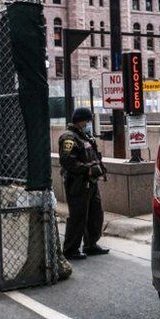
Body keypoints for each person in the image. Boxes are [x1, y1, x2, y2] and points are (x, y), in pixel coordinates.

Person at [58, 107, 110, 260]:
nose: (88, 123)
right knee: (78, 216)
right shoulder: (69, 138)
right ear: (81, 120)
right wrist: (87, 170)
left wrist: (99, 168)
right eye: (87, 120)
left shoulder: (84, 137)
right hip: (77, 183)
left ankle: (90, 244)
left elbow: (93, 156)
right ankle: (70, 249)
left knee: (96, 214)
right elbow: (68, 161)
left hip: (91, 183)